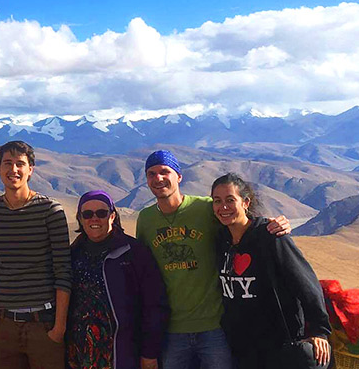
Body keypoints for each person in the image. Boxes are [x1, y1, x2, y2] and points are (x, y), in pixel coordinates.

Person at [135, 150, 291, 369]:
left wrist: (272, 224)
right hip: (172, 330)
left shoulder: (205, 207)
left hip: (214, 327)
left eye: (164, 172)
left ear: (179, 176)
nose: (158, 178)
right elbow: (143, 270)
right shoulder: (145, 219)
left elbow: (238, 218)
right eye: (151, 174)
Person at [211, 173, 331, 368]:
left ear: (245, 202)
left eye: (230, 200)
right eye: (217, 201)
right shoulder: (220, 240)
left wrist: (319, 330)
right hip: (240, 347)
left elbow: (304, 281)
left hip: (278, 343)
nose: (223, 207)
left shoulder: (271, 236)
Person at [0, 141, 72, 369]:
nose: (14, 170)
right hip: (1, 326)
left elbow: (63, 270)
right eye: (7, 163)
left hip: (44, 325)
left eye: (20, 163)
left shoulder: (50, 211)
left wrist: (59, 328)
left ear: (31, 169)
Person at [67, 190, 169, 369]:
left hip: (123, 352)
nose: (94, 219)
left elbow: (154, 305)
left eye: (101, 213)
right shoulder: (72, 254)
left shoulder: (134, 252)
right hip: (79, 353)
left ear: (112, 216)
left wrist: (149, 352)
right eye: (87, 214)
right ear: (80, 219)